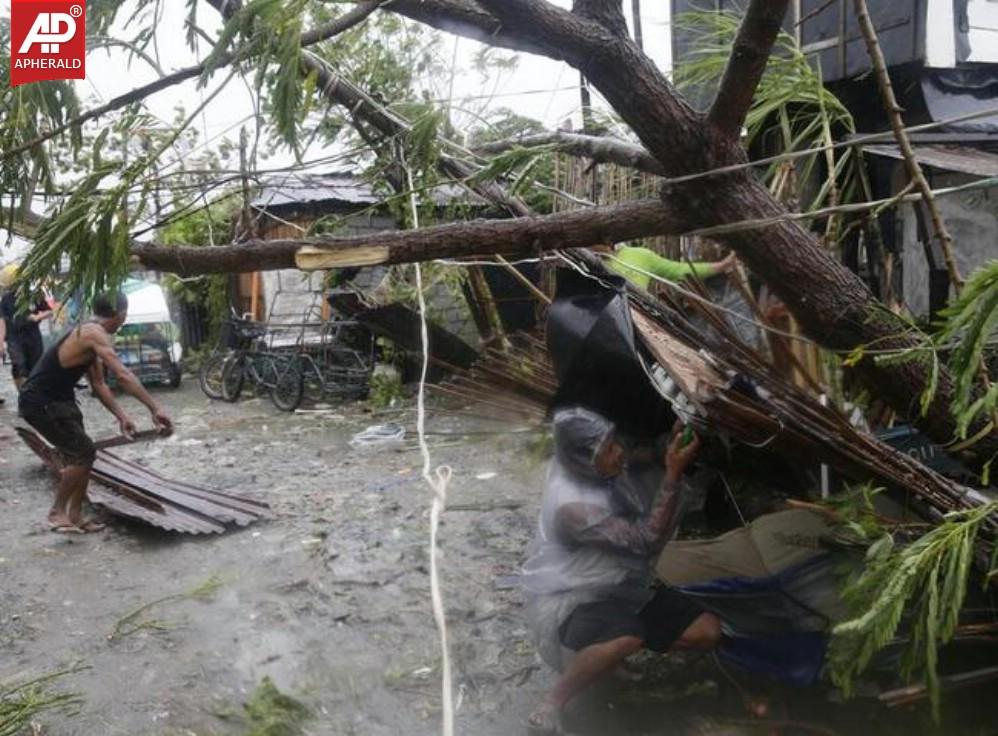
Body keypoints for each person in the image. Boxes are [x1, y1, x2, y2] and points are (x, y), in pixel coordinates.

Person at [521, 407, 721, 734]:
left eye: (613, 443)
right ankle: (553, 700)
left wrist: (666, 445)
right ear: (584, 460)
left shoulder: (584, 459)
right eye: (608, 450)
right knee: (627, 635)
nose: (619, 453)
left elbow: (637, 456)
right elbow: (645, 541)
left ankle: (609, 659)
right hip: (574, 597)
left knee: (707, 631)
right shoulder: (572, 507)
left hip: (623, 585)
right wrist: (672, 473)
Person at [18, 291, 173, 534]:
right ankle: (56, 513)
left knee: (84, 454)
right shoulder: (93, 333)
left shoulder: (89, 334)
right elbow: (123, 375)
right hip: (41, 401)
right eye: (125, 315)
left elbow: (99, 385)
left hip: (60, 400)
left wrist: (122, 416)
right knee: (83, 452)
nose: (124, 320)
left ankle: (76, 515)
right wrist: (155, 408)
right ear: (121, 314)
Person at [594, 243, 735, 291]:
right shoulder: (582, 266)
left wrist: (721, 266)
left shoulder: (640, 256)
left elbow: (678, 271)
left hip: (639, 326)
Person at [0, 264, 53, 389]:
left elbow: (49, 311)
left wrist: (37, 317)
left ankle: (34, 394)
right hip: (14, 338)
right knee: (19, 365)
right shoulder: (5, 300)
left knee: (35, 367)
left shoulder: (34, 295)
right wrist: (1, 342)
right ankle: (23, 396)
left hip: (33, 336)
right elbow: (1, 321)